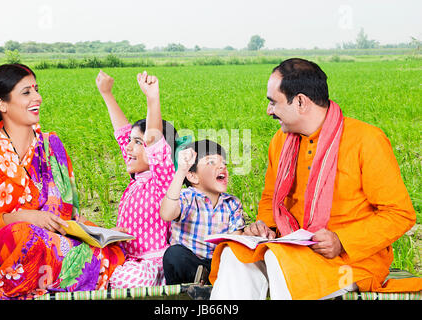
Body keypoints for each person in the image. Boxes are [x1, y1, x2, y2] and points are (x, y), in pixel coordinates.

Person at [209, 58, 420, 300]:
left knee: (280, 261)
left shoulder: (366, 140)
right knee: (235, 254)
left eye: (273, 102)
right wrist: (264, 226)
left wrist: (342, 241)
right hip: (292, 249)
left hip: (351, 261)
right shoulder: (280, 142)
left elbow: (400, 214)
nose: (269, 111)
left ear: (300, 101)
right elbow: (270, 198)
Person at [0, 64, 125, 299]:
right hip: (1, 247)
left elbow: (67, 217)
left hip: (52, 240)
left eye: (36, 89)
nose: (38, 98)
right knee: (24, 235)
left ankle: (45, 279)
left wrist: (102, 232)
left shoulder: (51, 145)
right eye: (26, 92)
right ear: (1, 104)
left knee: (113, 249)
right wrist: (23, 217)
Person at [96, 70, 178, 288]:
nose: (129, 147)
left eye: (138, 142)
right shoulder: (137, 179)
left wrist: (152, 98)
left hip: (149, 265)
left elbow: (153, 142)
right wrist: (107, 94)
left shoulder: (162, 181)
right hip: (126, 259)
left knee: (127, 278)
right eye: (131, 142)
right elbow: (123, 135)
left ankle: (107, 277)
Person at [160, 140, 245, 285]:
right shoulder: (187, 197)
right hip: (189, 263)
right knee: (173, 255)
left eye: (223, 163)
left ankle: (210, 282)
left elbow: (235, 241)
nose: (222, 166)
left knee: (237, 258)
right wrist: (181, 171)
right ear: (193, 176)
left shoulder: (232, 203)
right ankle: (200, 285)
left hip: (218, 264)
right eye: (211, 163)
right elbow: (167, 214)